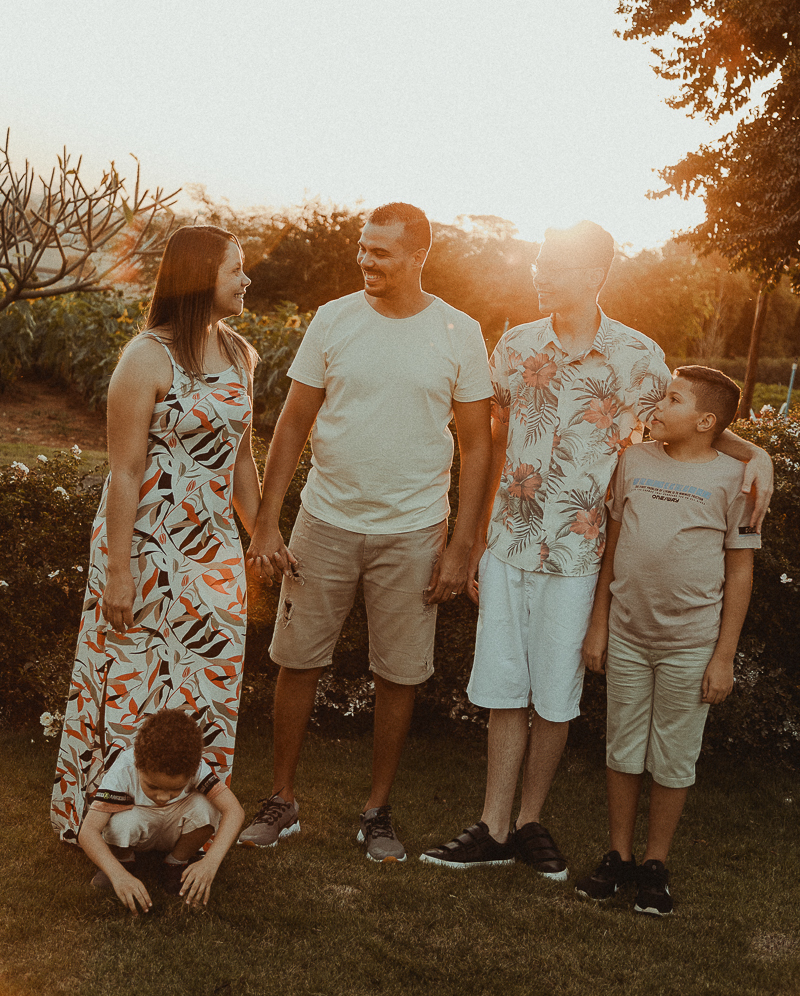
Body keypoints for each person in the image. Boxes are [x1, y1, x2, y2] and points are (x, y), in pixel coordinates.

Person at [420, 221, 772, 875]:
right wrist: (471, 545)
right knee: (503, 689)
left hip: (580, 556)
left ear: (592, 275)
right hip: (508, 547)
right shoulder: (516, 345)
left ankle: (530, 822)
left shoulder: (639, 358)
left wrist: (757, 453)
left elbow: (691, 428)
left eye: (553, 264)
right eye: (540, 262)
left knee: (554, 695)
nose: (539, 273)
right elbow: (490, 441)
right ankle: (493, 828)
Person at [238, 202, 492, 862]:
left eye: (380, 251)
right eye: (363, 248)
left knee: (399, 674)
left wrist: (461, 547)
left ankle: (377, 812)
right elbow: (291, 423)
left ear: (418, 257)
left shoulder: (458, 332)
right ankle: (282, 800)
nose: (365, 260)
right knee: (296, 661)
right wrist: (267, 521)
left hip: (413, 531)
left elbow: (477, 445)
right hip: (324, 521)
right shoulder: (333, 319)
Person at [51, 225, 261, 844]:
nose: (246, 280)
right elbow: (125, 469)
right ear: (202, 279)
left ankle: (188, 830)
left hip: (212, 552)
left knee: (207, 680)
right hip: (140, 547)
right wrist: (120, 570)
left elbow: (241, 460)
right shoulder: (146, 356)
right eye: (235, 270)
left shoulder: (243, 355)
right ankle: (114, 828)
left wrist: (265, 536)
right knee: (132, 682)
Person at [575, 366, 760, 915]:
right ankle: (618, 856)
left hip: (691, 645)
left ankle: (656, 863)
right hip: (629, 637)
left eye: (673, 399)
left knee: (674, 757)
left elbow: (741, 571)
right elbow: (612, 549)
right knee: (623, 748)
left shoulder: (736, 479)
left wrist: (723, 656)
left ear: (706, 421)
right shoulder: (634, 461)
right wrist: (599, 625)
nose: (658, 404)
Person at [79, 708, 245, 912]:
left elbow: (234, 811)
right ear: (138, 766)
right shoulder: (124, 769)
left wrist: (210, 863)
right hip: (136, 822)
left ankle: (175, 863)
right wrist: (117, 875)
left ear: (192, 771)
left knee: (208, 806)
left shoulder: (196, 766)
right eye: (153, 786)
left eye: (175, 789)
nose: (163, 797)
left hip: (175, 825)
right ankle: (123, 862)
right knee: (117, 822)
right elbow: (88, 832)